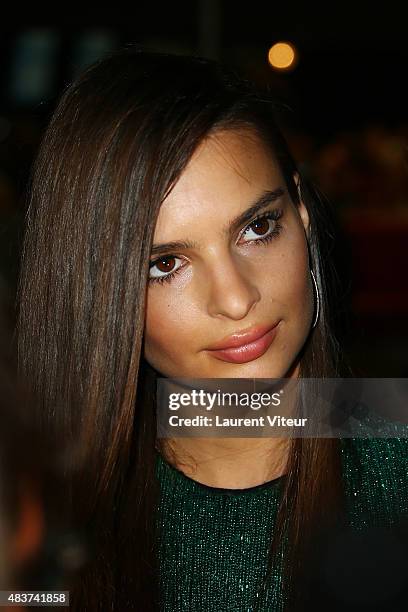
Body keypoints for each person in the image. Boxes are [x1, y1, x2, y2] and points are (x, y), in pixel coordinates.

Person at [15, 47, 408, 611]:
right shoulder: (40, 519)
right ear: (94, 292)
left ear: (301, 214)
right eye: (165, 264)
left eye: (257, 227)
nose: (235, 298)